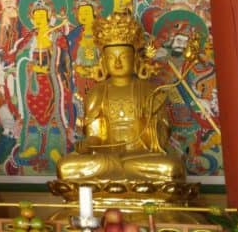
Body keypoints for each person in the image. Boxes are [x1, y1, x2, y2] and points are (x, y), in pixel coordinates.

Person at [55, 10, 186, 185]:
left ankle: (116, 177)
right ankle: (121, 175)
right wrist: (87, 144)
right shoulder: (97, 92)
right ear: (103, 62)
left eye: (123, 57)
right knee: (66, 167)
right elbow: (95, 136)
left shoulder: (150, 91)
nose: (117, 63)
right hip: (106, 159)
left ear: (136, 60)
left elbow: (161, 140)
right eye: (111, 58)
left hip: (140, 157)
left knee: (171, 167)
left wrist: (152, 126)